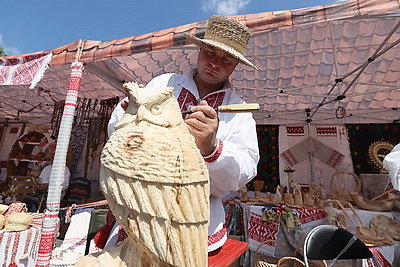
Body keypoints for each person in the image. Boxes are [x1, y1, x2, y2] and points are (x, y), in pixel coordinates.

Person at [107, 15, 259, 252]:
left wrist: (212, 147)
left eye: (226, 60)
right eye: (210, 53)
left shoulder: (239, 112)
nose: (215, 63)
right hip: (139, 207)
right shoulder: (163, 84)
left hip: (197, 219)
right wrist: (129, 117)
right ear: (199, 51)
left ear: (235, 66)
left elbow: (243, 172)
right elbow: (116, 130)